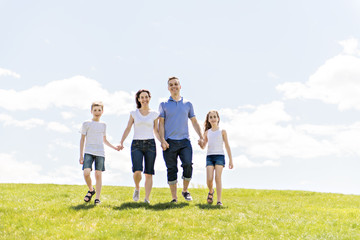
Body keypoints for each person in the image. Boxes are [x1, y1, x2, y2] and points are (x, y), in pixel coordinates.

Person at [159, 77, 204, 203]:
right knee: (172, 169)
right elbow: (161, 124)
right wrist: (162, 140)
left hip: (184, 141)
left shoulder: (188, 104)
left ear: (180, 86)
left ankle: (185, 190)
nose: (174, 86)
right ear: (168, 88)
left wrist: (201, 136)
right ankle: (174, 198)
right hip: (169, 142)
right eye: (171, 85)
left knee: (188, 165)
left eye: (176, 84)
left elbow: (194, 121)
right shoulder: (164, 105)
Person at [119, 89, 160, 204]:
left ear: (149, 98)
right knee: (137, 171)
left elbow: (156, 131)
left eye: (146, 97)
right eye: (142, 97)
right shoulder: (134, 113)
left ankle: (146, 199)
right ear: (138, 99)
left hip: (150, 144)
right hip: (136, 144)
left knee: (149, 173)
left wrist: (162, 141)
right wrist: (121, 142)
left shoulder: (154, 114)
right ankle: (137, 188)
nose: (144, 99)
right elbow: (128, 128)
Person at [79, 101, 119, 205]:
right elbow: (82, 139)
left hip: (100, 152)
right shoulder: (86, 124)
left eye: (99, 110)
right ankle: (91, 190)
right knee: (86, 173)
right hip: (88, 151)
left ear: (102, 111)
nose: (97, 112)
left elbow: (104, 140)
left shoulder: (103, 125)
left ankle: (97, 198)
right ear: (91, 111)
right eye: (95, 110)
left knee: (98, 174)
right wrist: (81, 155)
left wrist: (114, 147)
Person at [200, 110, 234, 206]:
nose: (213, 119)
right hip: (210, 157)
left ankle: (219, 201)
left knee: (218, 178)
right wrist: (200, 143)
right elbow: (203, 146)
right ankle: (211, 191)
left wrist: (231, 159)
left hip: (220, 156)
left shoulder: (222, 131)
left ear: (218, 119)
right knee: (209, 179)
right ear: (208, 120)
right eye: (211, 117)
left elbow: (227, 145)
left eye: (215, 117)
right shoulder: (207, 132)